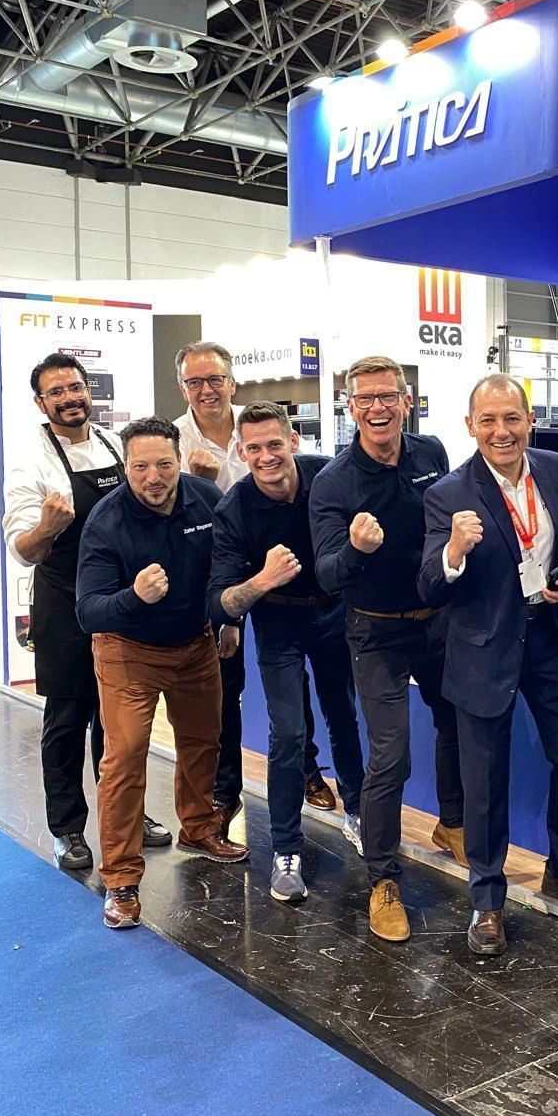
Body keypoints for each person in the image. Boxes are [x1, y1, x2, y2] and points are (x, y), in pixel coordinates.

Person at [419, 375, 558, 956]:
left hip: (547, 634)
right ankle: (487, 900)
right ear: (470, 425)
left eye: (512, 419)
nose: (502, 431)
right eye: (489, 421)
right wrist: (454, 549)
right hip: (482, 646)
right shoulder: (447, 493)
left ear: (529, 420)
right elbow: (430, 584)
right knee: (484, 782)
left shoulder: (553, 467)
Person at [309, 355, 465, 942]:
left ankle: (451, 825)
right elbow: (326, 574)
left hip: (436, 619)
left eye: (388, 396)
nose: (378, 407)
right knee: (391, 754)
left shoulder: (432, 454)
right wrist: (354, 549)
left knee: (456, 723)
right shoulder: (334, 482)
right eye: (365, 398)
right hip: (374, 629)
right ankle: (382, 878)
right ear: (351, 408)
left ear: (406, 400)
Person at [76, 416, 247, 931]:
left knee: (203, 742)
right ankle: (122, 878)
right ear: (126, 467)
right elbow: (88, 611)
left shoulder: (203, 499)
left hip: (195, 644)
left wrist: (227, 618)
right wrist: (135, 596)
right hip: (128, 650)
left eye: (164, 464)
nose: (154, 476)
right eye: (141, 466)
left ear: (179, 460)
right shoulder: (106, 521)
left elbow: (226, 567)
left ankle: (197, 827)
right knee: (125, 758)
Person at [2, 352, 170, 870]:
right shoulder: (30, 461)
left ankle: (124, 814)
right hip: (66, 604)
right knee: (68, 718)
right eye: (57, 392)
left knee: (120, 720)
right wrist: (49, 525)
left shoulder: (110, 444)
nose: (70, 398)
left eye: (75, 388)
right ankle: (68, 829)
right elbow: (24, 549)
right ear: (41, 402)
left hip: (121, 600)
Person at [208, 402, 366, 903]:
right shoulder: (234, 507)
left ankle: (357, 811)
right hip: (278, 621)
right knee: (289, 733)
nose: (265, 456)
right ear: (240, 451)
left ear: (293, 440)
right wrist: (262, 579)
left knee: (343, 716)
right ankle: (285, 849)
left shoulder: (328, 477)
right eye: (252, 448)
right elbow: (220, 598)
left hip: (334, 612)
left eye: (274, 444)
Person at [174, 340, 336, 825]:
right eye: (195, 381)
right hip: (211, 577)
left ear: (232, 381)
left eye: (215, 379)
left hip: (281, 578)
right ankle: (226, 791)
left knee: (293, 684)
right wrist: (189, 479)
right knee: (223, 689)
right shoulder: (173, 442)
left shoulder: (260, 426)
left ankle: (307, 768)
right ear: (183, 387)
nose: (207, 390)